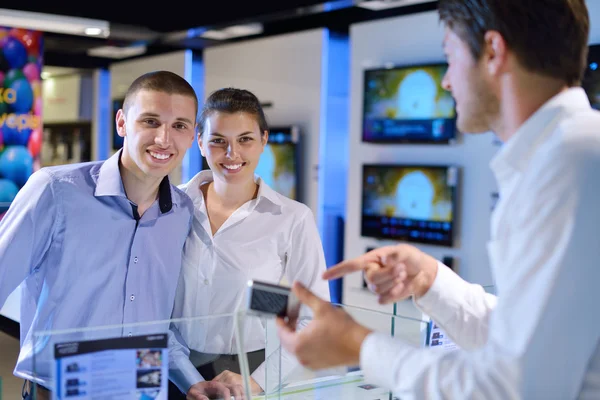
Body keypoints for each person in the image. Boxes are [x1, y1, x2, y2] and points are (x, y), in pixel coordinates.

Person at [276, 0, 600, 398]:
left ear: (493, 52)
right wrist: (430, 280)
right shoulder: (564, 156)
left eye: (450, 56)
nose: (446, 81)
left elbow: (515, 386)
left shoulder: (569, 165)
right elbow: (524, 340)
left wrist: (359, 345)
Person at [0, 71, 229, 400]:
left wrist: (190, 381)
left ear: (192, 135)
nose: (164, 139)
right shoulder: (55, 191)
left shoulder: (181, 213)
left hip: (143, 389)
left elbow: (161, 320)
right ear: (122, 123)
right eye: (150, 121)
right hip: (62, 390)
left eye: (179, 126)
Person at [167, 88, 330, 399]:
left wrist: (256, 382)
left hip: (249, 375)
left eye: (245, 139)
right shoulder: (170, 207)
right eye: (218, 141)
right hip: (176, 371)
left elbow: (314, 317)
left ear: (264, 141)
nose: (232, 154)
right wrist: (186, 378)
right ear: (199, 141)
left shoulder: (292, 218)